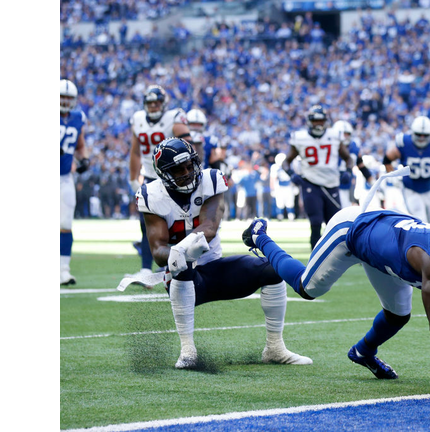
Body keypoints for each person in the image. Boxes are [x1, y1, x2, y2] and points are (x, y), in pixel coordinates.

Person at [242, 201, 430, 394]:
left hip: (384, 243)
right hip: (352, 230)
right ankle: (260, 236)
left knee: (398, 314)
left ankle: (362, 352)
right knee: (307, 288)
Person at [136, 137, 312, 369]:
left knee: (272, 269)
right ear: (164, 174)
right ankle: (188, 351)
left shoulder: (210, 180)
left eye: (189, 166)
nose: (187, 173)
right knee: (181, 264)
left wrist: (180, 247)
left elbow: (209, 227)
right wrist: (176, 254)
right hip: (182, 278)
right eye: (179, 170)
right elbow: (158, 250)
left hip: (214, 268)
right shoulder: (151, 195)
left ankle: (275, 348)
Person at [127, 85, 192, 282]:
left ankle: (183, 264)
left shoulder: (174, 117)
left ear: (163, 104)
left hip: (172, 178)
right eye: (150, 103)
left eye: (157, 103)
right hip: (150, 178)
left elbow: (189, 146)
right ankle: (146, 268)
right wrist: (133, 178)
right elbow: (136, 151)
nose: (153, 106)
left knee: (180, 221)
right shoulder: (138, 119)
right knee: (146, 224)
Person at [282, 105, 354, 249]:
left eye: (321, 120)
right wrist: (291, 174)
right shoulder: (300, 138)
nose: (318, 124)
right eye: (315, 121)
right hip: (310, 183)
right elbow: (286, 161)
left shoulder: (334, 135)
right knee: (315, 222)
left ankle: (337, 254)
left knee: (334, 223)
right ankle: (315, 256)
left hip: (331, 183)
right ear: (309, 121)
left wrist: (348, 171)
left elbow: (348, 158)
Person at [382, 116, 430, 223]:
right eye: (418, 134)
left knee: (429, 221)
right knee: (421, 219)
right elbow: (387, 160)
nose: (421, 138)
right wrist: (393, 177)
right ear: (412, 132)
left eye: (425, 135)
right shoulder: (405, 143)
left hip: (428, 188)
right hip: (410, 189)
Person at [60, 79, 90, 285]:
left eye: (68, 98)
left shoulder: (78, 118)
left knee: (65, 223)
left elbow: (79, 145)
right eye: (61, 97)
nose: (64, 101)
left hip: (64, 177)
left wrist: (84, 159)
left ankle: (63, 270)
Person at [333, 120, 374, 208]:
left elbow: (360, 165)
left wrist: (371, 180)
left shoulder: (353, 146)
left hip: (347, 183)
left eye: (348, 134)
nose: (346, 137)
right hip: (332, 183)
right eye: (344, 134)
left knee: (346, 208)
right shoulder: (331, 146)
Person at [186, 108, 227, 174]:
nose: (196, 127)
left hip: (204, 174)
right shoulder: (181, 138)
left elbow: (216, 161)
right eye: (193, 124)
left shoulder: (210, 140)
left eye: (198, 124)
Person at [270, 153, 297, 221]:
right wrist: (272, 189)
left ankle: (291, 216)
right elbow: (273, 178)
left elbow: (293, 177)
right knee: (280, 203)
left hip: (289, 186)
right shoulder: (275, 167)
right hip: (279, 187)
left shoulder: (291, 166)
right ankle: (280, 216)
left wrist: (295, 186)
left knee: (290, 202)